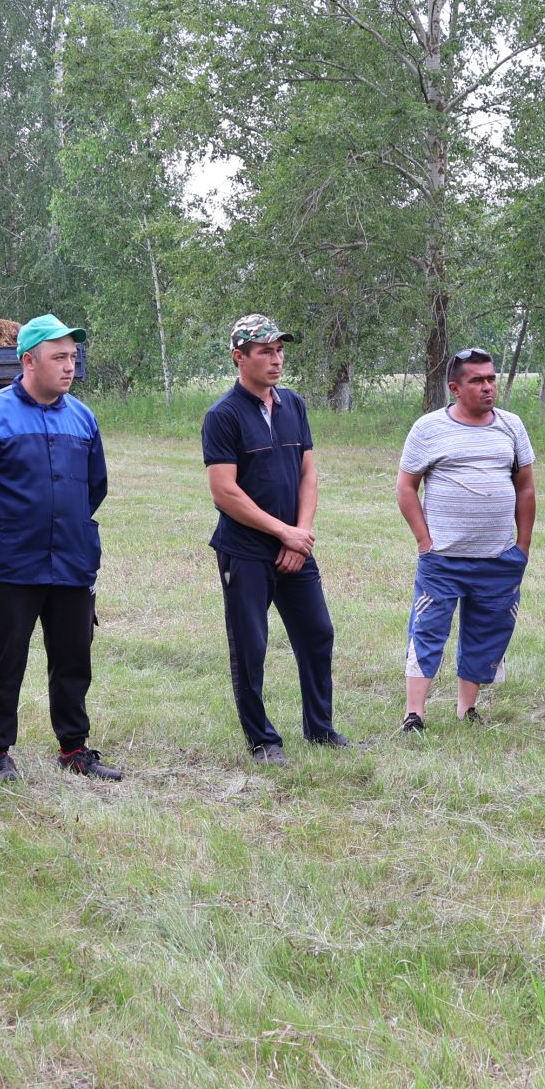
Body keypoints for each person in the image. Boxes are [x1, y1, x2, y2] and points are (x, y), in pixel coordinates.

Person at [0, 314, 121, 781]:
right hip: (12, 568)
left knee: (73, 660)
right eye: (60, 357)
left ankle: (74, 750)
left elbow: (94, 488)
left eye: (73, 357)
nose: (70, 366)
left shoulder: (83, 418)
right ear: (29, 360)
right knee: (5, 662)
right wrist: (4, 536)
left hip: (72, 562)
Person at [202, 314, 347, 763]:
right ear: (239, 357)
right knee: (251, 647)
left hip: (294, 548)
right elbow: (225, 492)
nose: (276, 359)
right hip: (245, 551)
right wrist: (282, 532)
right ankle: (262, 740)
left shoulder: (294, 406)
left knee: (318, 633)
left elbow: (308, 474)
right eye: (265, 351)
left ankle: (320, 730)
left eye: (279, 350)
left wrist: (298, 535)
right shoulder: (222, 416)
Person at [395, 347, 536, 731]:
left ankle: (466, 709)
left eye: (491, 378)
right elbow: (407, 487)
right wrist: (425, 541)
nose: (488, 387)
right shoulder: (429, 428)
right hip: (443, 558)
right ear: (455, 387)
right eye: (477, 380)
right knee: (428, 629)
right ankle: (414, 714)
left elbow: (525, 488)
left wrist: (522, 546)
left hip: (499, 557)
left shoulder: (511, 426)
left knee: (487, 631)